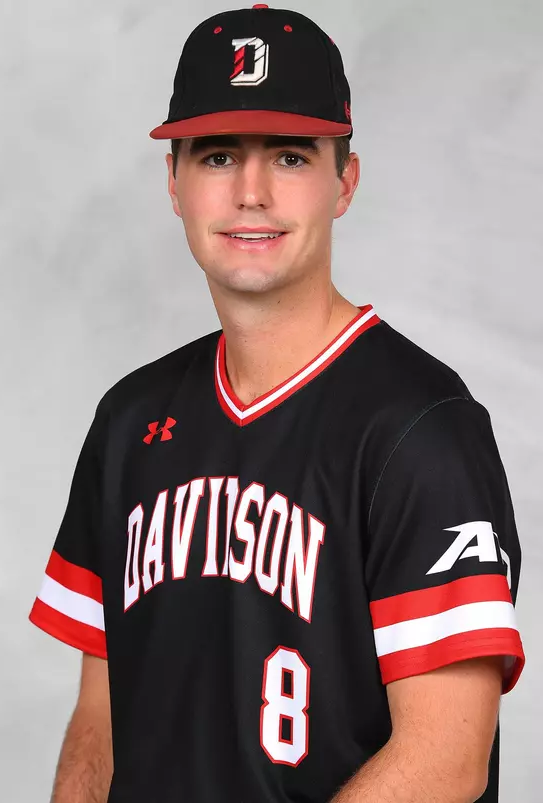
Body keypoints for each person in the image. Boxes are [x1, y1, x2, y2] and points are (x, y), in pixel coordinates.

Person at [29, 5, 526, 802]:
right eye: (219, 155)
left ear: (344, 182)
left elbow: (444, 759)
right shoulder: (128, 420)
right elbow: (99, 721)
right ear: (174, 184)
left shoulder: (421, 428)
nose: (251, 192)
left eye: (291, 157)